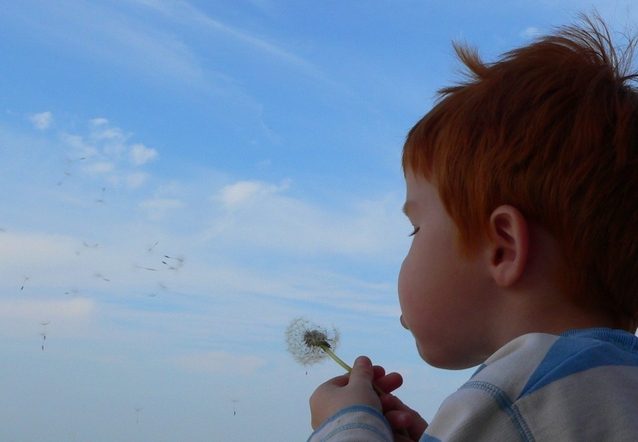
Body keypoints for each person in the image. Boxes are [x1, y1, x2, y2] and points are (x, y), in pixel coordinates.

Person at [307, 14, 638, 442]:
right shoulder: (610, 389)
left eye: (416, 228)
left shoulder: (520, 392)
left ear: (502, 247)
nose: (409, 247)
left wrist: (346, 423)